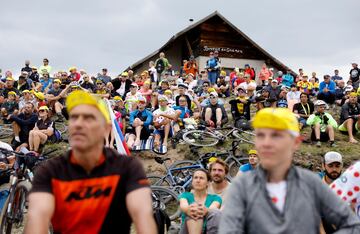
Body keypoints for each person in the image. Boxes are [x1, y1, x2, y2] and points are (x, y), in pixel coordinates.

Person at [25, 90, 156, 234]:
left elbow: (144, 219)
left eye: (88, 118)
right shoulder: (50, 171)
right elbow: (36, 221)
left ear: (106, 129)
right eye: (74, 118)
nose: (79, 124)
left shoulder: (127, 168)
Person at [219, 108, 360, 234]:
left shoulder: (311, 184)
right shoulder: (242, 186)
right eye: (261, 135)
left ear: (295, 143)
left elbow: (351, 224)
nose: (266, 143)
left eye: (276, 136)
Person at [179, 169, 222, 234]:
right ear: (192, 181)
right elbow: (183, 205)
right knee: (193, 210)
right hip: (187, 230)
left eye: (201, 178)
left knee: (216, 212)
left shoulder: (215, 198)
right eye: (195, 178)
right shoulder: (184, 195)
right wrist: (191, 209)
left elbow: (213, 209)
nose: (198, 180)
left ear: (208, 182)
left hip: (207, 230)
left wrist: (206, 210)